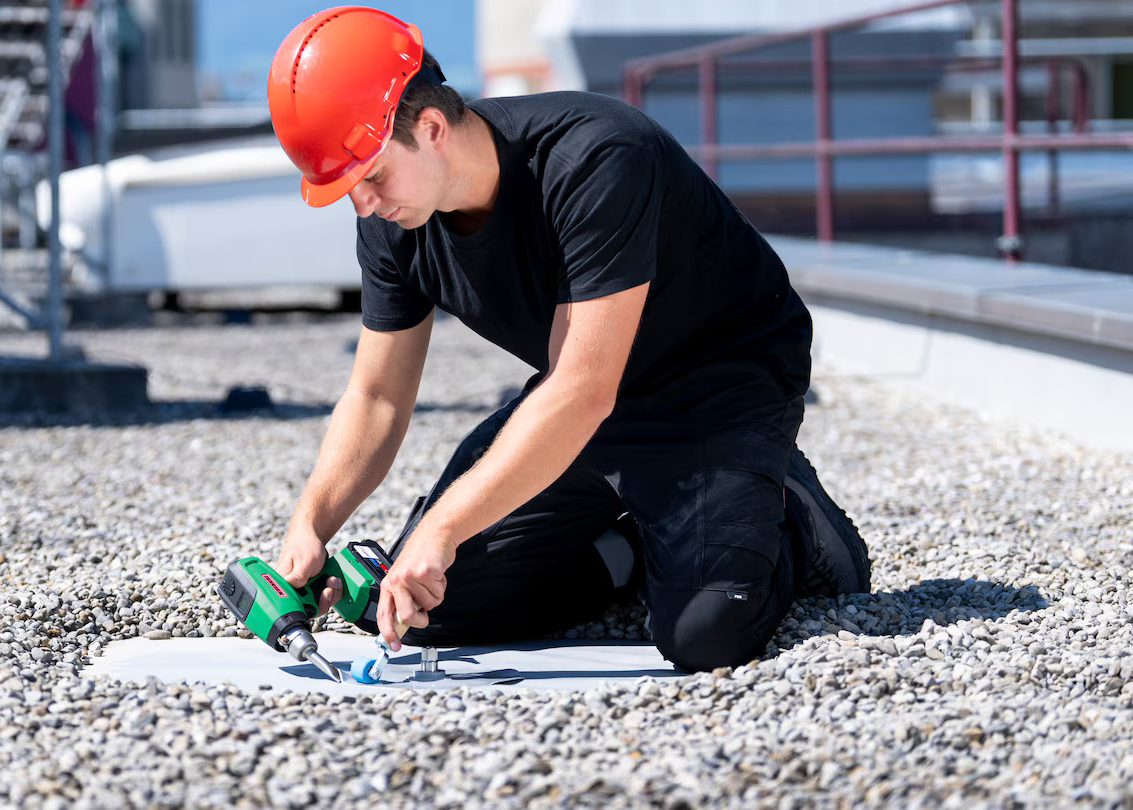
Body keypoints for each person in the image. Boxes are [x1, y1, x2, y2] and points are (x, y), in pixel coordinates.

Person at [267, 7, 871, 672]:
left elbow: (583, 390)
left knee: (706, 634)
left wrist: (442, 527)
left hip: (720, 387)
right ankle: (634, 549)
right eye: (347, 187)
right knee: (429, 606)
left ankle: (788, 517)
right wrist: (312, 522)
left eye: (372, 176)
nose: (363, 203)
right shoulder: (394, 223)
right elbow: (378, 396)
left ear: (431, 128)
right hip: (582, 394)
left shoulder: (596, 156)